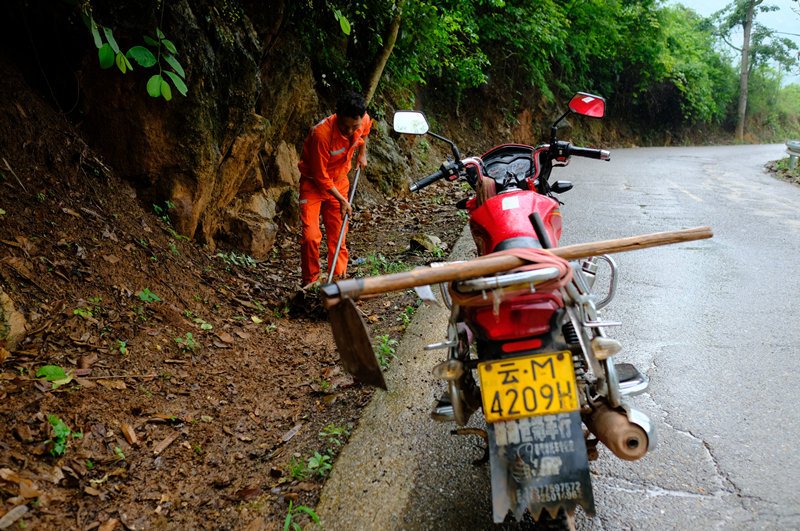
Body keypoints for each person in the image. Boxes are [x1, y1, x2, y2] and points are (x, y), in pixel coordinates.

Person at [297, 91, 372, 287]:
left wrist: (361, 154)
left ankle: (339, 282)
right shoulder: (322, 135)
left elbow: (365, 130)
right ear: (336, 113)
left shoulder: (361, 120)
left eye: (353, 126)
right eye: (344, 126)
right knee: (310, 237)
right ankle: (310, 284)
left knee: (338, 236)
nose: (349, 131)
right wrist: (342, 200)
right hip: (314, 184)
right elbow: (320, 177)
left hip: (340, 182)